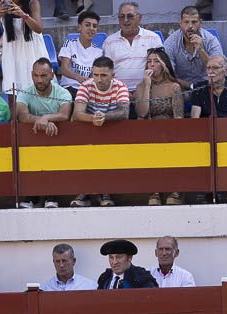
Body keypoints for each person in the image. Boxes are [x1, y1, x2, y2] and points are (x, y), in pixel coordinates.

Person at [70, 56, 127, 208]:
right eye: (95, 75)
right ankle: (86, 192)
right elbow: (77, 114)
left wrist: (104, 117)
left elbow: (124, 112)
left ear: (112, 75)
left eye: (103, 75)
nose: (99, 79)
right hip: (88, 130)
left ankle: (104, 192)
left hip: (111, 131)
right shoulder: (86, 86)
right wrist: (93, 119)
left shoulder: (120, 86)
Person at [15, 58, 71, 209]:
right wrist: (42, 121)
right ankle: (32, 197)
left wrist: (46, 118)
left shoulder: (63, 92)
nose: (39, 80)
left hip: (58, 141)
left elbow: (65, 115)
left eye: (43, 76)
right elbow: (21, 116)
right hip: (32, 142)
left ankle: (51, 196)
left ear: (52, 75)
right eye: (36, 75)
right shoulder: (25, 93)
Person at [136, 48, 182, 206]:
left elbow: (178, 116)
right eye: (149, 61)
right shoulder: (140, 87)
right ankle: (154, 190)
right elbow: (142, 112)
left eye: (156, 61)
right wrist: (147, 86)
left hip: (170, 129)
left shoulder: (174, 87)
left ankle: (174, 190)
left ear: (163, 64)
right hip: (149, 129)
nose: (152, 64)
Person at [0, 0, 46, 95]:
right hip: (12, 53)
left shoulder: (32, 3)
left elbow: (38, 29)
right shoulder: (1, 3)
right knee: (12, 91)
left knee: (36, 91)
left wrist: (23, 15)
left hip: (32, 51)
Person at [102, 2, 162, 95]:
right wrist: (120, 90)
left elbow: (162, 67)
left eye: (130, 16)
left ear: (139, 18)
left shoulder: (153, 38)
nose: (125, 20)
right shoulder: (109, 42)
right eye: (121, 16)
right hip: (117, 92)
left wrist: (143, 89)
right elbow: (106, 71)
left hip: (148, 90)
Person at [162, 6, 221, 90]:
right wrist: (189, 86)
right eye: (186, 22)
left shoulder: (211, 40)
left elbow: (219, 70)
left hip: (208, 86)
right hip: (181, 87)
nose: (190, 26)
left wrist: (201, 50)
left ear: (200, 23)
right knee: (171, 89)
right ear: (181, 24)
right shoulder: (171, 42)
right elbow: (168, 73)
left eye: (194, 22)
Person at [58, 10, 101, 95]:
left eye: (95, 26)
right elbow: (63, 69)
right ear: (79, 27)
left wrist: (89, 82)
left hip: (86, 89)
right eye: (87, 25)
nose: (91, 28)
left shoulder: (98, 51)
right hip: (68, 87)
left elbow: (94, 75)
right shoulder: (69, 43)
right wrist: (78, 77)